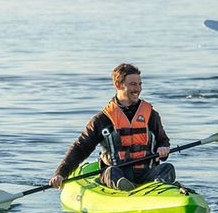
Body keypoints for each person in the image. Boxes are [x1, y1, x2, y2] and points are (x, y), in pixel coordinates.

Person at [49, 63, 175, 191]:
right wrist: (60, 174)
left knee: (167, 168)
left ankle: (158, 188)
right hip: (117, 174)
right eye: (133, 84)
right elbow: (80, 148)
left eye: (140, 84)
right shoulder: (102, 119)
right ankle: (125, 189)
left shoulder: (151, 114)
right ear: (118, 85)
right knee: (110, 172)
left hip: (145, 173)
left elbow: (162, 140)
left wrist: (163, 148)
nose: (138, 89)